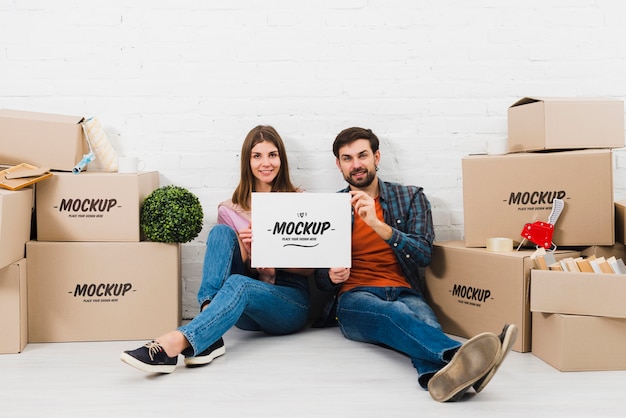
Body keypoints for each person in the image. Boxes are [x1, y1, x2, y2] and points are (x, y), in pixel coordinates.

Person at [315, 127, 517, 402]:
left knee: (423, 323)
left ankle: (441, 382)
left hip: (405, 289)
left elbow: (423, 255)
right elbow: (318, 279)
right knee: (394, 313)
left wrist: (378, 225)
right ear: (338, 165)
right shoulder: (328, 208)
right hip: (354, 297)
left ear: (377, 157)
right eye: (347, 158)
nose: (356, 164)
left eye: (362, 155)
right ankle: (465, 357)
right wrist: (330, 276)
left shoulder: (410, 198)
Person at [121, 125, 313, 373]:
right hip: (241, 308)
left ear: (281, 159)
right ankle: (208, 323)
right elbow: (236, 270)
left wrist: (273, 266)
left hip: (288, 303)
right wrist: (251, 254)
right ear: (247, 161)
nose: (266, 163)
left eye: (272, 155)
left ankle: (173, 344)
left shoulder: (301, 202)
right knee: (221, 234)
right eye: (257, 156)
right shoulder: (230, 209)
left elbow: (309, 270)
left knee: (238, 283)